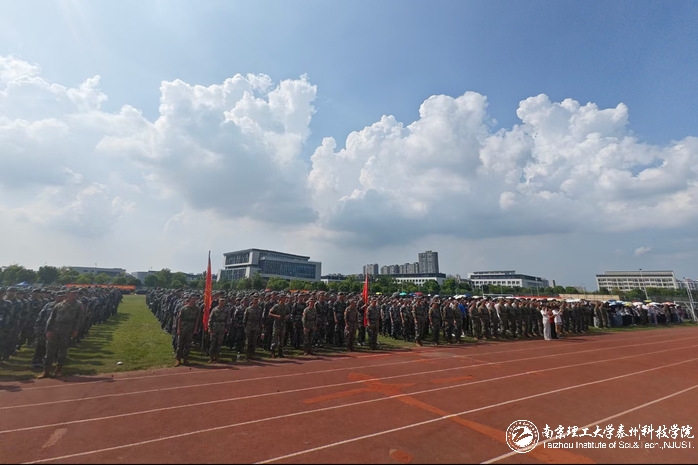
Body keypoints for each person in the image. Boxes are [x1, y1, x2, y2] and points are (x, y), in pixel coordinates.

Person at [38, 288, 84, 378]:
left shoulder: (79, 305)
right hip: (55, 330)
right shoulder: (59, 305)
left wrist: (76, 330)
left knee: (62, 351)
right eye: (73, 293)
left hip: (67, 330)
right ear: (68, 293)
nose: (75, 295)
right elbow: (51, 318)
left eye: (76, 293)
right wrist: (48, 330)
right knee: (49, 351)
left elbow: (80, 318)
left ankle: (58, 370)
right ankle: (46, 371)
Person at [175, 294, 200, 366]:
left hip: (191, 329)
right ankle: (178, 359)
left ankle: (185, 359)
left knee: (188, 345)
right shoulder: (183, 308)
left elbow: (197, 319)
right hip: (183, 328)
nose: (194, 300)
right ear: (190, 299)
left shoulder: (197, 309)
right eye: (192, 298)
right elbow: (179, 319)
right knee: (180, 345)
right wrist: (178, 329)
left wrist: (195, 329)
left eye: (195, 299)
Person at [207, 296, 231, 363]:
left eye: (223, 301)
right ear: (218, 302)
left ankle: (217, 357)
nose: (222, 302)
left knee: (219, 343)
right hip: (214, 327)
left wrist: (227, 328)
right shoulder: (214, 309)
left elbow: (228, 319)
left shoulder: (227, 310)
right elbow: (210, 319)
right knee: (213, 343)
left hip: (222, 327)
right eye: (221, 301)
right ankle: (211, 357)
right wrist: (210, 328)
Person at [243, 295, 264, 360]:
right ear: (252, 301)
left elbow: (260, 319)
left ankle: (252, 355)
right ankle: (247, 355)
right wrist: (245, 327)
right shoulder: (248, 309)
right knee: (248, 341)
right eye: (255, 300)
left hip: (256, 326)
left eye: (257, 300)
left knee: (254, 341)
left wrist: (260, 327)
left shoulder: (260, 309)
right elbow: (245, 319)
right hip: (249, 326)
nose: (256, 301)